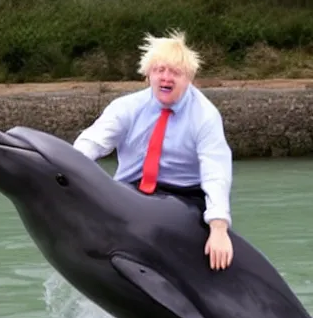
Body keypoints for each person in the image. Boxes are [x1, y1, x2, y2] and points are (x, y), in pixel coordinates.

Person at [73, 29, 234, 271]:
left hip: (184, 199)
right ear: (148, 74)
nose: (166, 78)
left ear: (189, 78)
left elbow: (216, 171)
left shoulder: (205, 115)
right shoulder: (126, 107)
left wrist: (219, 227)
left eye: (175, 72)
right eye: (159, 70)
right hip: (131, 191)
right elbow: (92, 142)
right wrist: (68, 168)